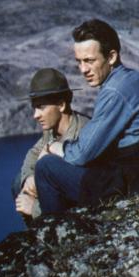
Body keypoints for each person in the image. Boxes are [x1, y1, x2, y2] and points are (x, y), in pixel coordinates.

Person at [34, 19, 139, 215]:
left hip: (136, 180)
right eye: (79, 61)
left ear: (111, 57)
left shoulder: (115, 90)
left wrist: (53, 147)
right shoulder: (131, 77)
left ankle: (52, 231)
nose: (83, 70)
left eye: (90, 61)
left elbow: (82, 153)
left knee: (46, 167)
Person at [13, 68, 89, 219]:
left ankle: (52, 230)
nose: (35, 115)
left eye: (41, 107)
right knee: (18, 182)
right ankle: (41, 233)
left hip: (82, 201)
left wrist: (34, 208)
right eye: (34, 108)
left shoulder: (85, 132)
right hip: (63, 196)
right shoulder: (51, 131)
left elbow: (82, 193)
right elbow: (33, 154)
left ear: (61, 105)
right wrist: (28, 179)